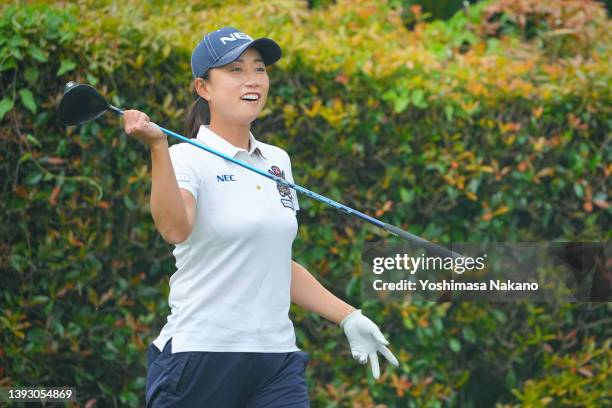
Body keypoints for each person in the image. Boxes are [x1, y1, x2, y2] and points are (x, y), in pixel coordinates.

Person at [122, 26, 399, 408]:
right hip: (201, 357)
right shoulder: (184, 159)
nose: (252, 80)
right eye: (235, 70)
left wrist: (348, 316)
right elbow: (174, 229)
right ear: (203, 87)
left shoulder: (277, 161)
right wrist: (158, 148)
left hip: (275, 359)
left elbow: (273, 262)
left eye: (259, 69)